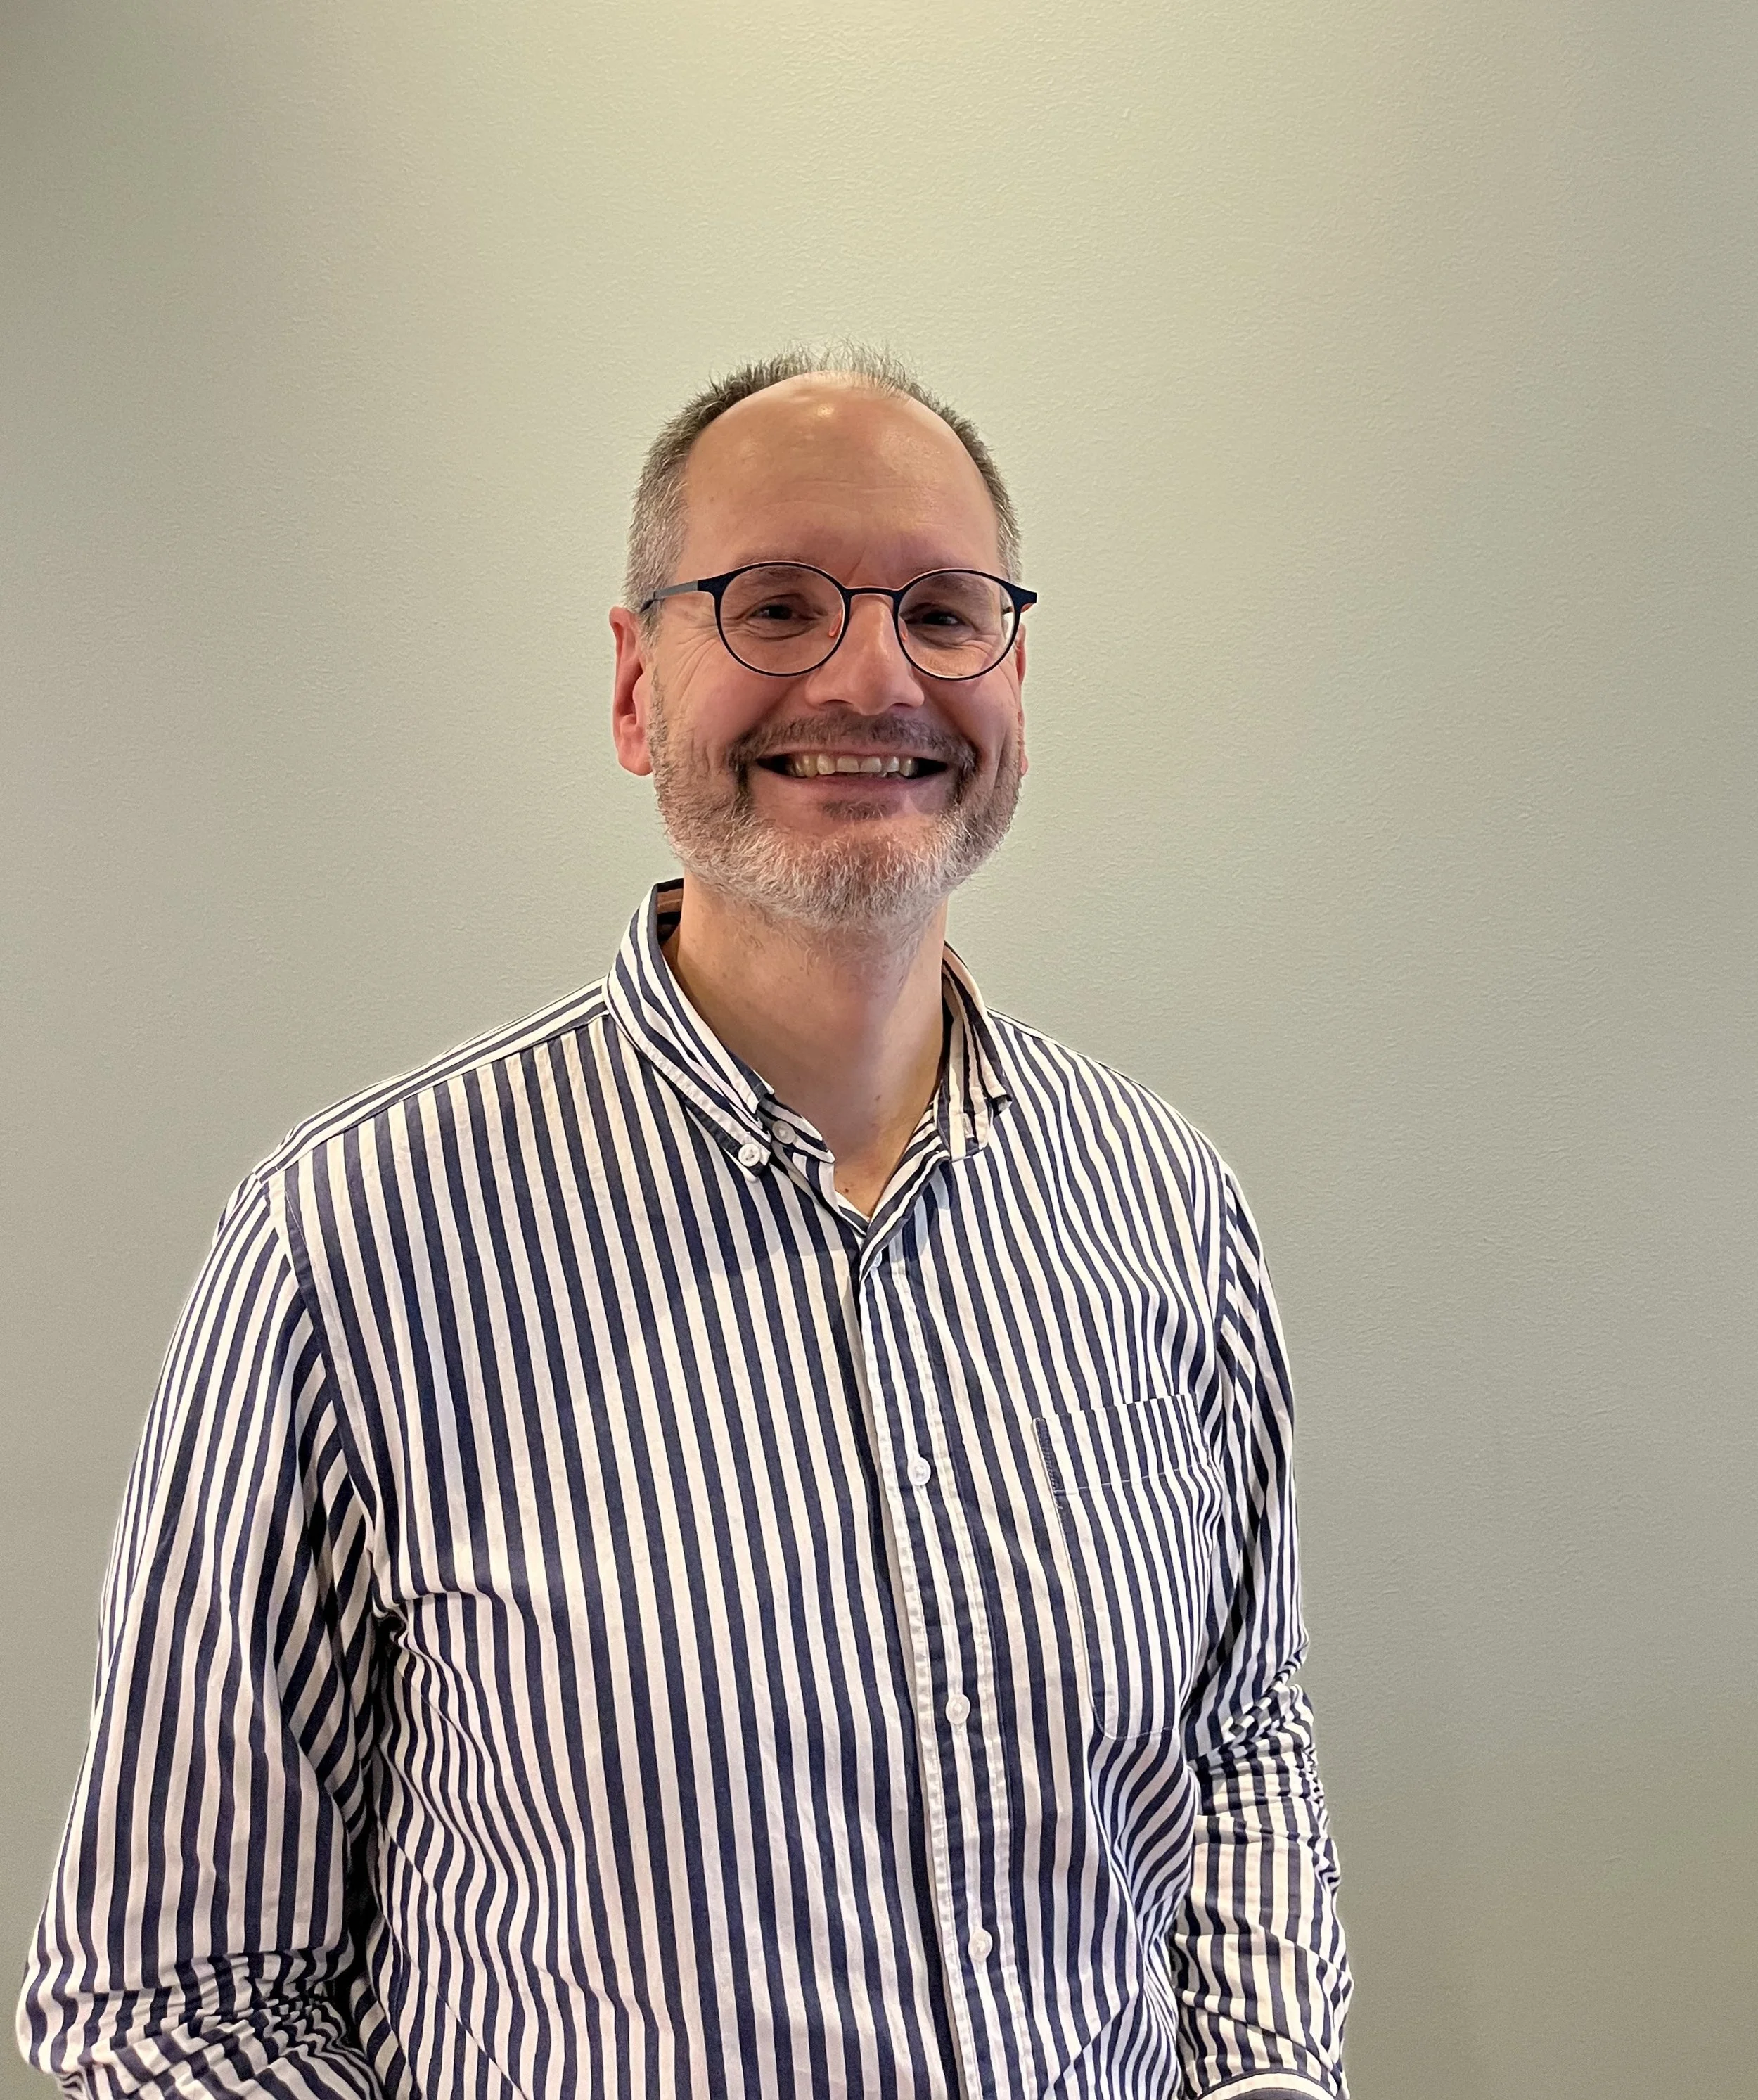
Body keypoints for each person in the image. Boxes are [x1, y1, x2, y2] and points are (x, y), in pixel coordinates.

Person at [20, 346, 1353, 2100]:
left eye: (945, 614)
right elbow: (173, 1996)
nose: (875, 674)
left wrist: (1264, 2075)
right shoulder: (350, 1242)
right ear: (638, 686)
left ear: (1013, 679)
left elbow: (1239, 1743)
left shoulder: (1165, 1208)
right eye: (775, 603)